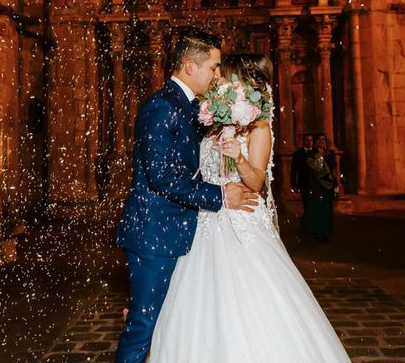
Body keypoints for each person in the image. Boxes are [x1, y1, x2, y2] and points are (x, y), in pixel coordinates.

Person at [149, 54, 351, 362]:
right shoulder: (214, 124)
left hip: (242, 221)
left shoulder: (259, 128)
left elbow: (256, 181)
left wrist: (238, 158)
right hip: (207, 221)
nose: (218, 80)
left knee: (250, 300)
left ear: (242, 85)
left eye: (225, 76)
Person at [114, 31, 258, 363]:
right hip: (154, 234)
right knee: (143, 327)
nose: (218, 75)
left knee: (164, 325)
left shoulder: (186, 105)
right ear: (190, 66)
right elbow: (162, 176)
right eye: (214, 67)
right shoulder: (162, 106)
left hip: (172, 233)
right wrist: (221, 196)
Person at [304, 132, 338, 240]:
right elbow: (311, 168)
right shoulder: (312, 154)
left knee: (327, 209)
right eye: (319, 139)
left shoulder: (330, 153)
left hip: (328, 185)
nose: (321, 142)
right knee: (317, 208)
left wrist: (335, 183)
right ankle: (317, 231)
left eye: (323, 140)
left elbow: (333, 168)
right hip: (317, 185)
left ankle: (326, 231)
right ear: (315, 142)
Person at [292, 133, 314, 232]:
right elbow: (293, 170)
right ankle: (307, 224)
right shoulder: (298, 153)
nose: (309, 142)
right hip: (304, 183)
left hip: (315, 183)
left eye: (311, 140)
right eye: (307, 140)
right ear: (303, 141)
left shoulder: (316, 152)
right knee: (307, 204)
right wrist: (294, 184)